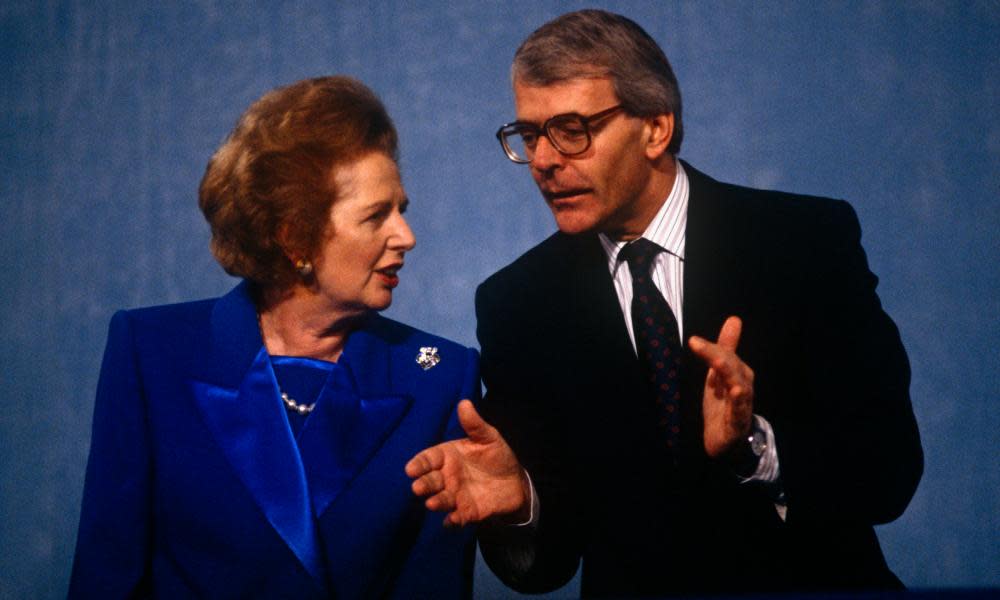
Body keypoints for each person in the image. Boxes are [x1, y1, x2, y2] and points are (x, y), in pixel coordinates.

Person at [406, 9, 922, 597]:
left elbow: (890, 471)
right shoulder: (519, 303)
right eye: (529, 135)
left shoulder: (803, 242)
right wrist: (523, 500)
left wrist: (754, 447)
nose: (545, 160)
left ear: (655, 128)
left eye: (572, 129)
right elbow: (546, 566)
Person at [69, 76, 479, 598]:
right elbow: (105, 578)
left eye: (402, 210)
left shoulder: (441, 377)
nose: (406, 236)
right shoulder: (150, 352)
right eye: (377, 216)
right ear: (295, 236)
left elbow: (434, 587)